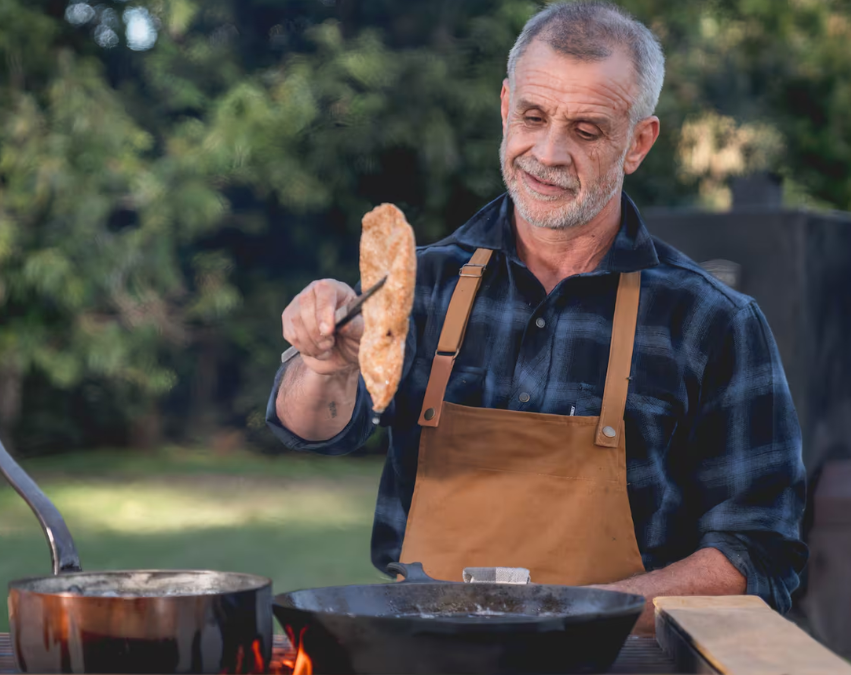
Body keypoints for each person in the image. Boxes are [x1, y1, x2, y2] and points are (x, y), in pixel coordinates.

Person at [266, 0, 807, 635]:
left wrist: (578, 617)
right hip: (426, 654)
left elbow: (759, 552)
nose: (547, 153)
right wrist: (323, 362)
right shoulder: (422, 283)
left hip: (620, 659)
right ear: (504, 108)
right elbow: (312, 430)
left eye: (586, 130)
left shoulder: (711, 321)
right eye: (532, 117)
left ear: (638, 142)